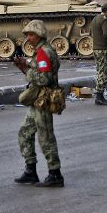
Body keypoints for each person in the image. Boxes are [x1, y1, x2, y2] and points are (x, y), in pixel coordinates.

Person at [14, 20, 64, 187]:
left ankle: (55, 173)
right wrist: (25, 66)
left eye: (31, 34)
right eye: (27, 35)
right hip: (37, 100)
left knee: (46, 137)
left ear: (39, 35)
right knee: (25, 133)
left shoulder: (43, 52)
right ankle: (30, 170)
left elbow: (44, 78)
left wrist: (27, 71)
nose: (28, 38)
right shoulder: (42, 51)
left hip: (43, 99)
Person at [91, 3, 107, 106]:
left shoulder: (96, 18)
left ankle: (98, 94)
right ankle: (99, 96)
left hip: (96, 48)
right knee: (104, 73)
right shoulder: (104, 20)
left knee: (99, 71)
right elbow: (106, 34)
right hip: (103, 49)